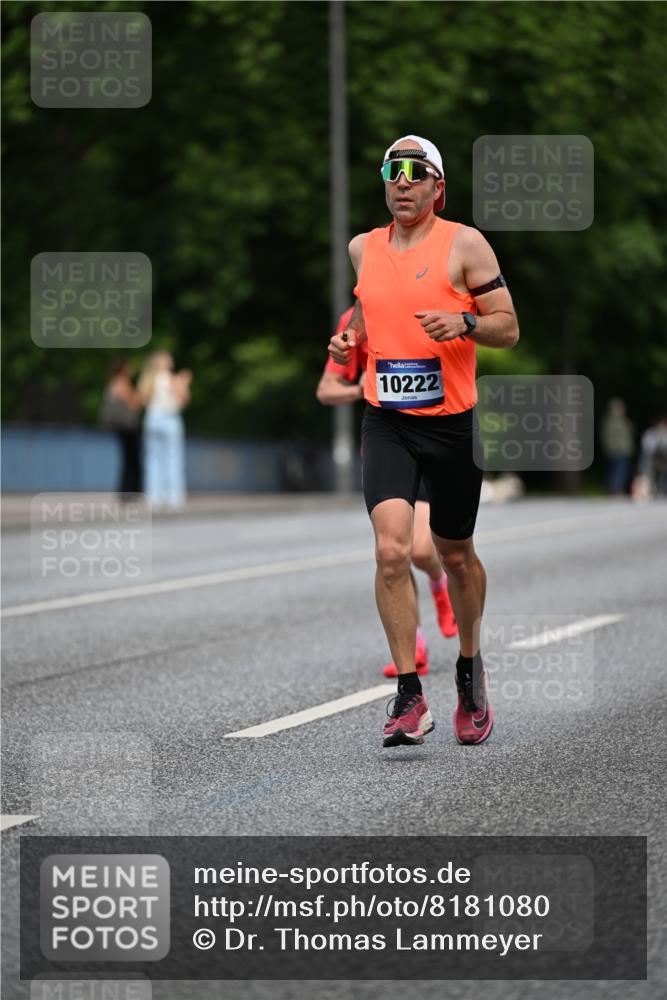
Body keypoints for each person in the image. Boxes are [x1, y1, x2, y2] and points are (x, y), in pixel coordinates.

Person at [328, 135, 519, 748]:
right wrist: (349, 341)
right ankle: (410, 696)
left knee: (456, 556)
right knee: (391, 551)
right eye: (393, 170)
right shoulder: (363, 247)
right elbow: (368, 310)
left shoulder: (464, 244)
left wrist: (464, 321)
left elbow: (508, 328)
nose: (403, 181)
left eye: (416, 172)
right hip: (388, 421)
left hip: (451, 424)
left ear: (438, 187)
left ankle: (469, 668)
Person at [317, 306, 457, 678]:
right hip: (387, 442)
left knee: (423, 549)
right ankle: (415, 646)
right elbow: (326, 389)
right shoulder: (356, 317)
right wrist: (361, 387)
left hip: (436, 434)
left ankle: (440, 584)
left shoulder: (435, 299)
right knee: (394, 551)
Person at [138, 351, 192, 509]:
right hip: (170, 419)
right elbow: (184, 399)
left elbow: (142, 400)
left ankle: (154, 498)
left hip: (152, 419)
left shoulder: (147, 379)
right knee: (173, 458)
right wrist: (184, 382)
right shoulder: (172, 378)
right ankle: (174, 498)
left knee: (153, 460)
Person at [101, 358, 143, 500]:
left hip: (120, 427)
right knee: (132, 460)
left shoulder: (112, 383)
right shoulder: (121, 383)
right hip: (127, 427)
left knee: (128, 459)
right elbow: (134, 404)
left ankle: (127, 491)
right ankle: (130, 492)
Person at [600, 398, 635, 495]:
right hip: (616, 450)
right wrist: (610, 448)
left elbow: (630, 433)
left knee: (622, 471)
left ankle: (618, 489)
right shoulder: (610, 422)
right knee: (617, 471)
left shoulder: (623, 421)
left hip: (625, 450)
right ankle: (615, 490)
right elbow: (607, 437)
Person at [639, 415, 667, 497]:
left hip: (664, 458)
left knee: (663, 474)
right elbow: (647, 447)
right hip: (653, 457)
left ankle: (662, 490)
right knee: (650, 472)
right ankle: (650, 490)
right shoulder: (651, 433)